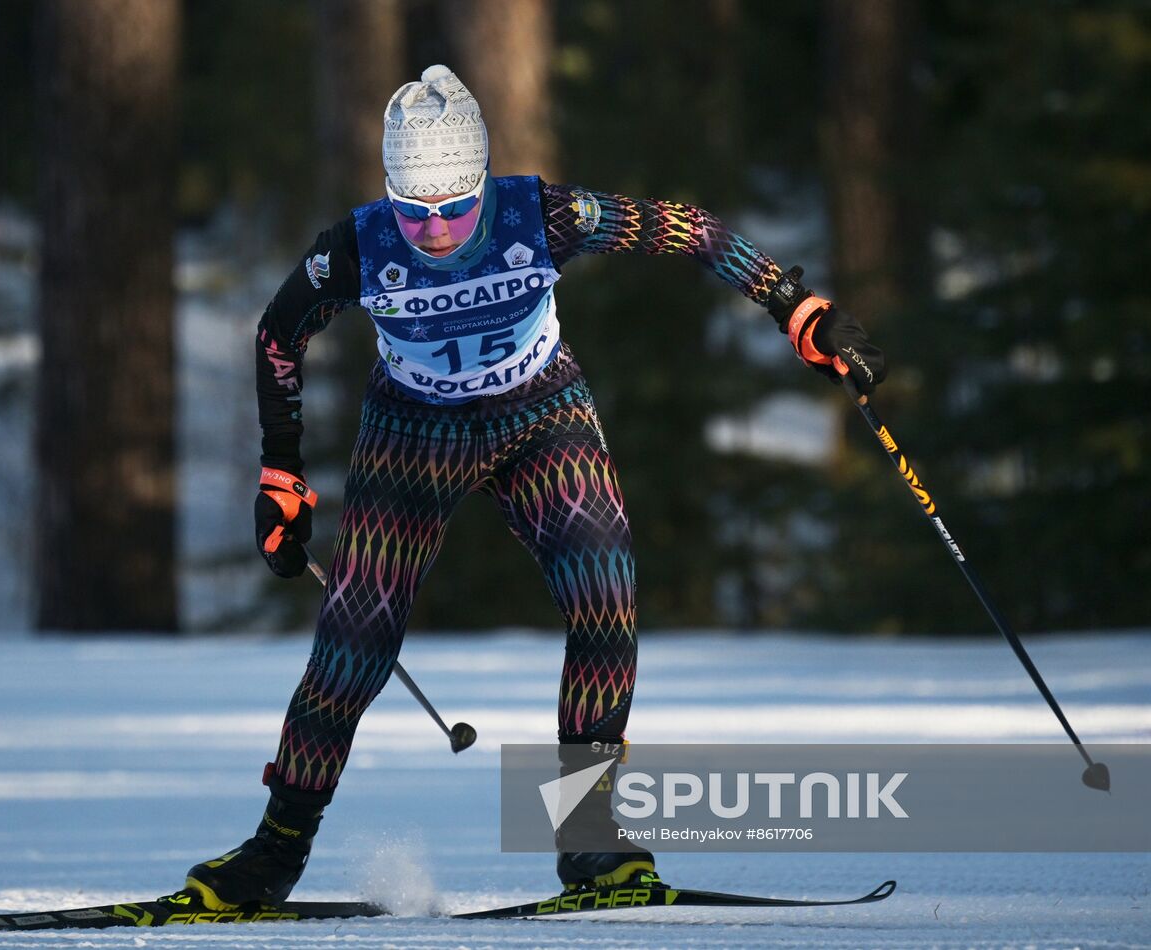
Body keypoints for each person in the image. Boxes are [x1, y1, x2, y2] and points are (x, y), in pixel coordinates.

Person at [183, 65, 886, 910]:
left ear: (483, 184)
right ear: (389, 195)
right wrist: (281, 470)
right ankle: (275, 850)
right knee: (355, 639)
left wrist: (795, 306)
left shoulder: (542, 216)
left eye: (454, 207)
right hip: (414, 432)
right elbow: (277, 332)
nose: (436, 230)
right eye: (414, 210)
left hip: (539, 417)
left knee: (605, 589)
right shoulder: (356, 247)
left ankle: (589, 842)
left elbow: (687, 229)